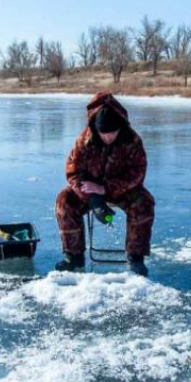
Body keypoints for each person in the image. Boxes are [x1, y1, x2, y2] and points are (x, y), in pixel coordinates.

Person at [55, 92, 155, 276]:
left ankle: (136, 257)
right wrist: (94, 199)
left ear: (120, 128)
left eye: (112, 133)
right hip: (89, 191)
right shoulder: (84, 140)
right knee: (64, 200)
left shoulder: (132, 141)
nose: (108, 137)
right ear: (96, 128)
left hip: (123, 190)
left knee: (144, 201)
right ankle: (73, 256)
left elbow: (138, 174)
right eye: (103, 133)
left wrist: (106, 188)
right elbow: (73, 171)